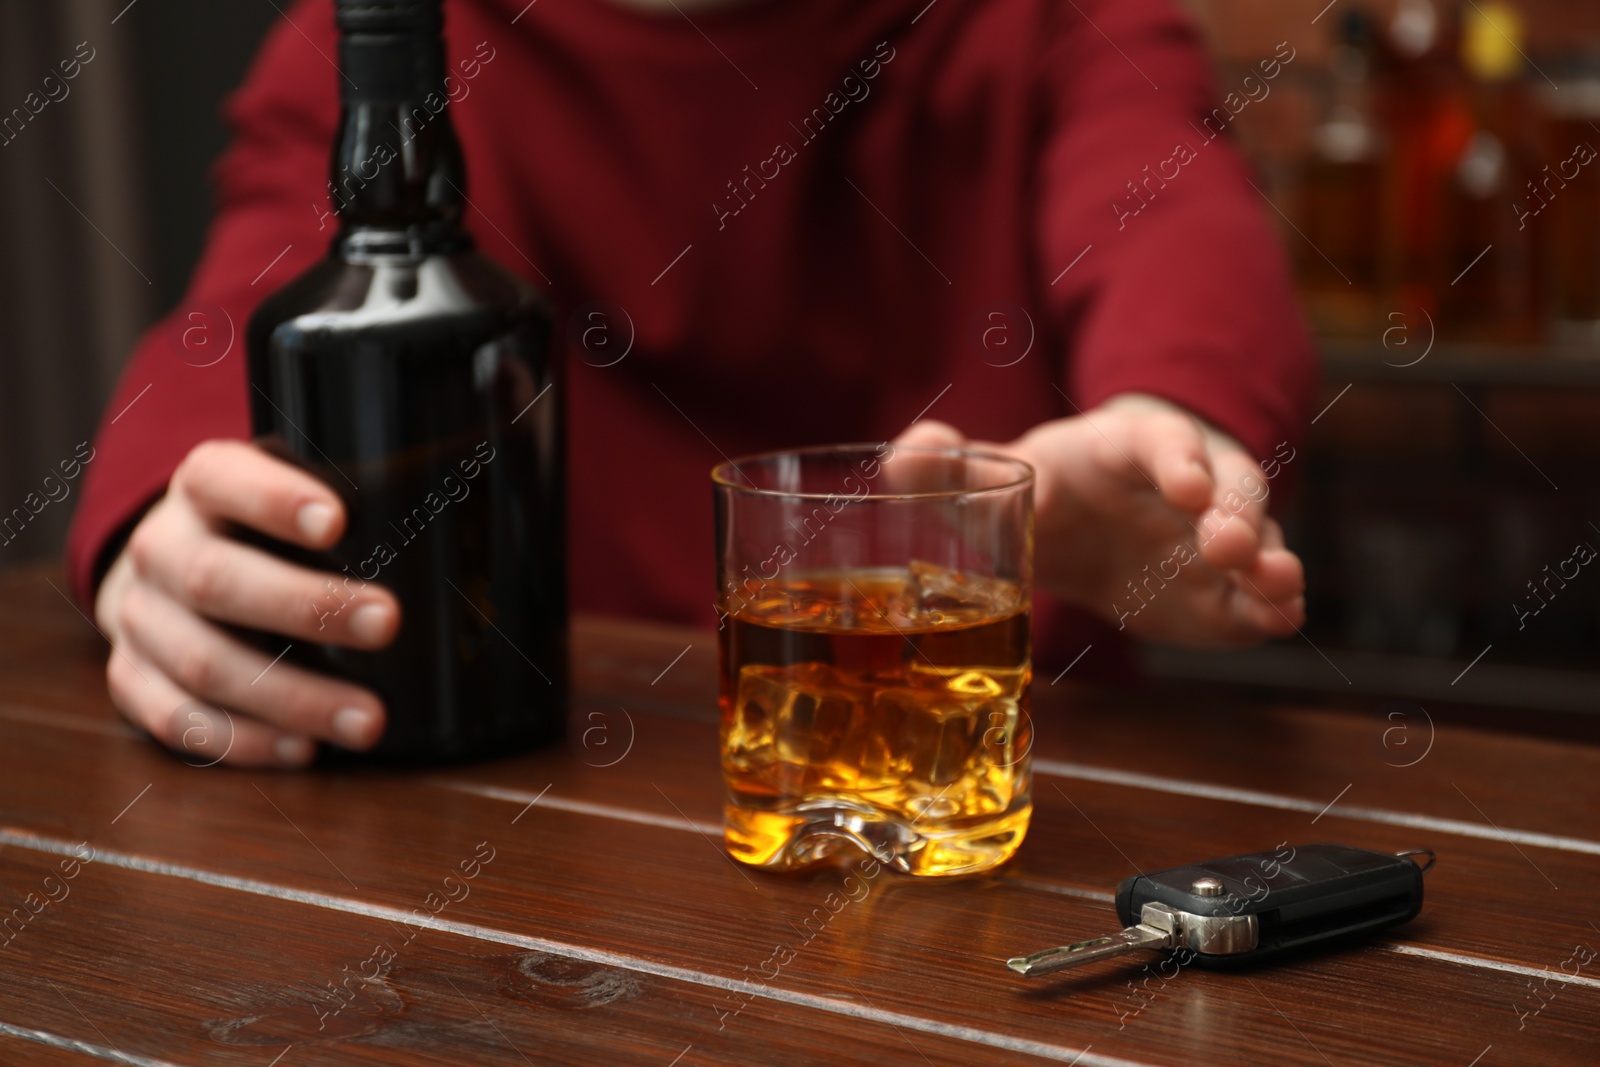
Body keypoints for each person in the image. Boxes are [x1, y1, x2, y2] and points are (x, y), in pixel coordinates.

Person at [67, 0, 1315, 768]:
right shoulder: (392, 38)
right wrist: (156, 539)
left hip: (989, 808)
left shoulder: (1038, 18)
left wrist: (1171, 428)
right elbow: (234, 312)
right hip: (547, 812)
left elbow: (1169, 202)